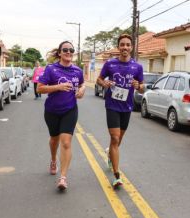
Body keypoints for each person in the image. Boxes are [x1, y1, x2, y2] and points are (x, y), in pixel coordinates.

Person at [96, 34, 144, 188]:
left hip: (127, 107)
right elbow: (99, 79)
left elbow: (142, 87)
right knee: (115, 138)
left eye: (127, 45)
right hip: (112, 105)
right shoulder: (110, 64)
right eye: (122, 44)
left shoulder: (137, 67)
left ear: (131, 47)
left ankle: (110, 153)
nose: (125, 47)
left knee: (118, 139)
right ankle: (117, 175)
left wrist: (138, 86)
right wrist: (105, 83)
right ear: (118, 47)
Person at [37, 41, 85, 190]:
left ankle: (63, 178)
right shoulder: (51, 69)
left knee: (66, 142)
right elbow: (39, 89)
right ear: (59, 52)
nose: (69, 52)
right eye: (65, 50)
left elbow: (82, 84)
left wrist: (82, 90)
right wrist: (58, 87)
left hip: (70, 110)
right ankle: (53, 159)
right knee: (54, 140)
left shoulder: (78, 70)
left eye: (71, 50)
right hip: (52, 111)